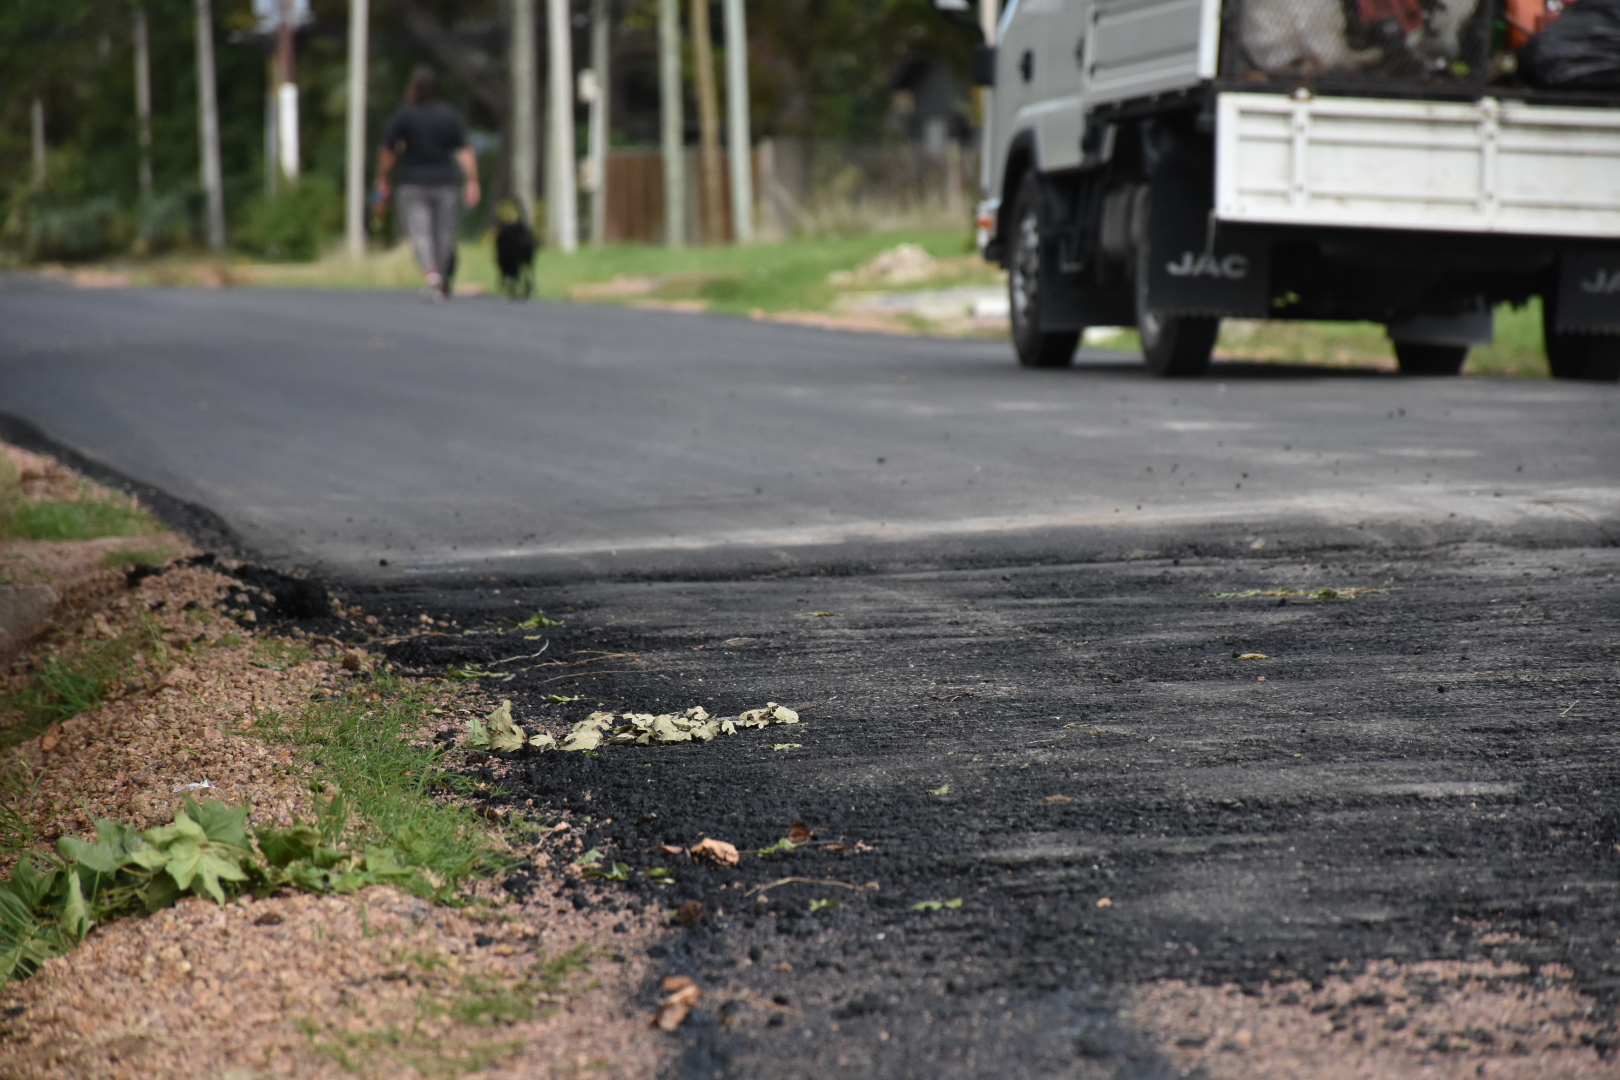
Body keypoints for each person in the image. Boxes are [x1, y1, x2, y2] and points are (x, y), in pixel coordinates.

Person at [374, 66, 480, 300]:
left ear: (413, 88)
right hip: (445, 182)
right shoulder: (448, 115)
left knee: (419, 231)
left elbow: (387, 151)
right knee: (444, 233)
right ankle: (440, 276)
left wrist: (382, 180)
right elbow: (464, 151)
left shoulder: (404, 115)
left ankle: (432, 274)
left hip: (412, 183)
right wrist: (472, 181)